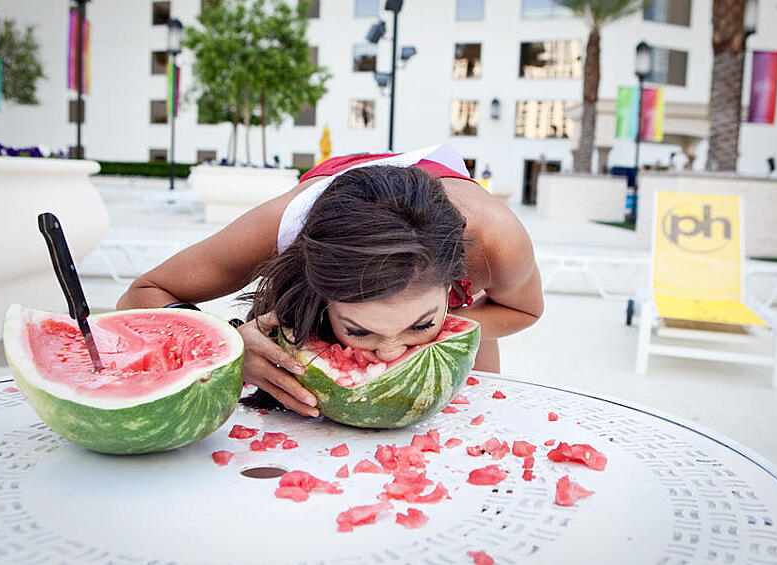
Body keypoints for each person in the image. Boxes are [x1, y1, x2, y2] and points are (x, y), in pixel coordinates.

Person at [117, 145, 543, 418]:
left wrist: (450, 332)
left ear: (454, 281)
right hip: (333, 198)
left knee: (478, 429)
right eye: (359, 329)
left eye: (421, 323)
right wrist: (227, 346)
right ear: (320, 297)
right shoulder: (275, 230)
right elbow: (142, 293)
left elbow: (524, 308)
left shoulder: (493, 240)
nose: (393, 352)